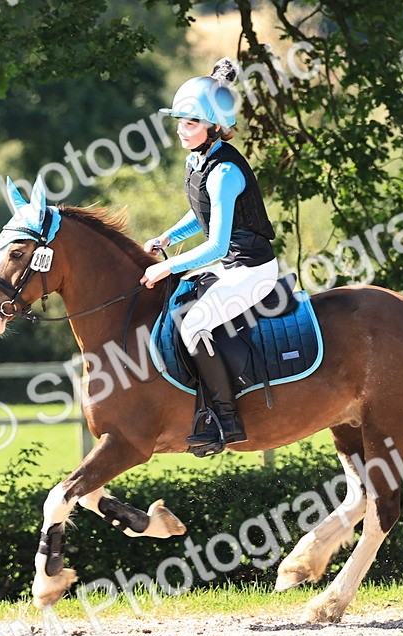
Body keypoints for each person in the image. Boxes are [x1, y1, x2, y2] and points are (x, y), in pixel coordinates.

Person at [140, 58, 279, 456]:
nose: (182, 131)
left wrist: (166, 265)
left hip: (252, 269)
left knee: (194, 324)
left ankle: (224, 417)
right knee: (179, 302)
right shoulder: (198, 160)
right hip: (231, 264)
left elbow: (216, 245)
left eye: (191, 123)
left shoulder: (225, 172)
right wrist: (167, 236)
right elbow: (200, 213)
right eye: (180, 122)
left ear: (214, 127)